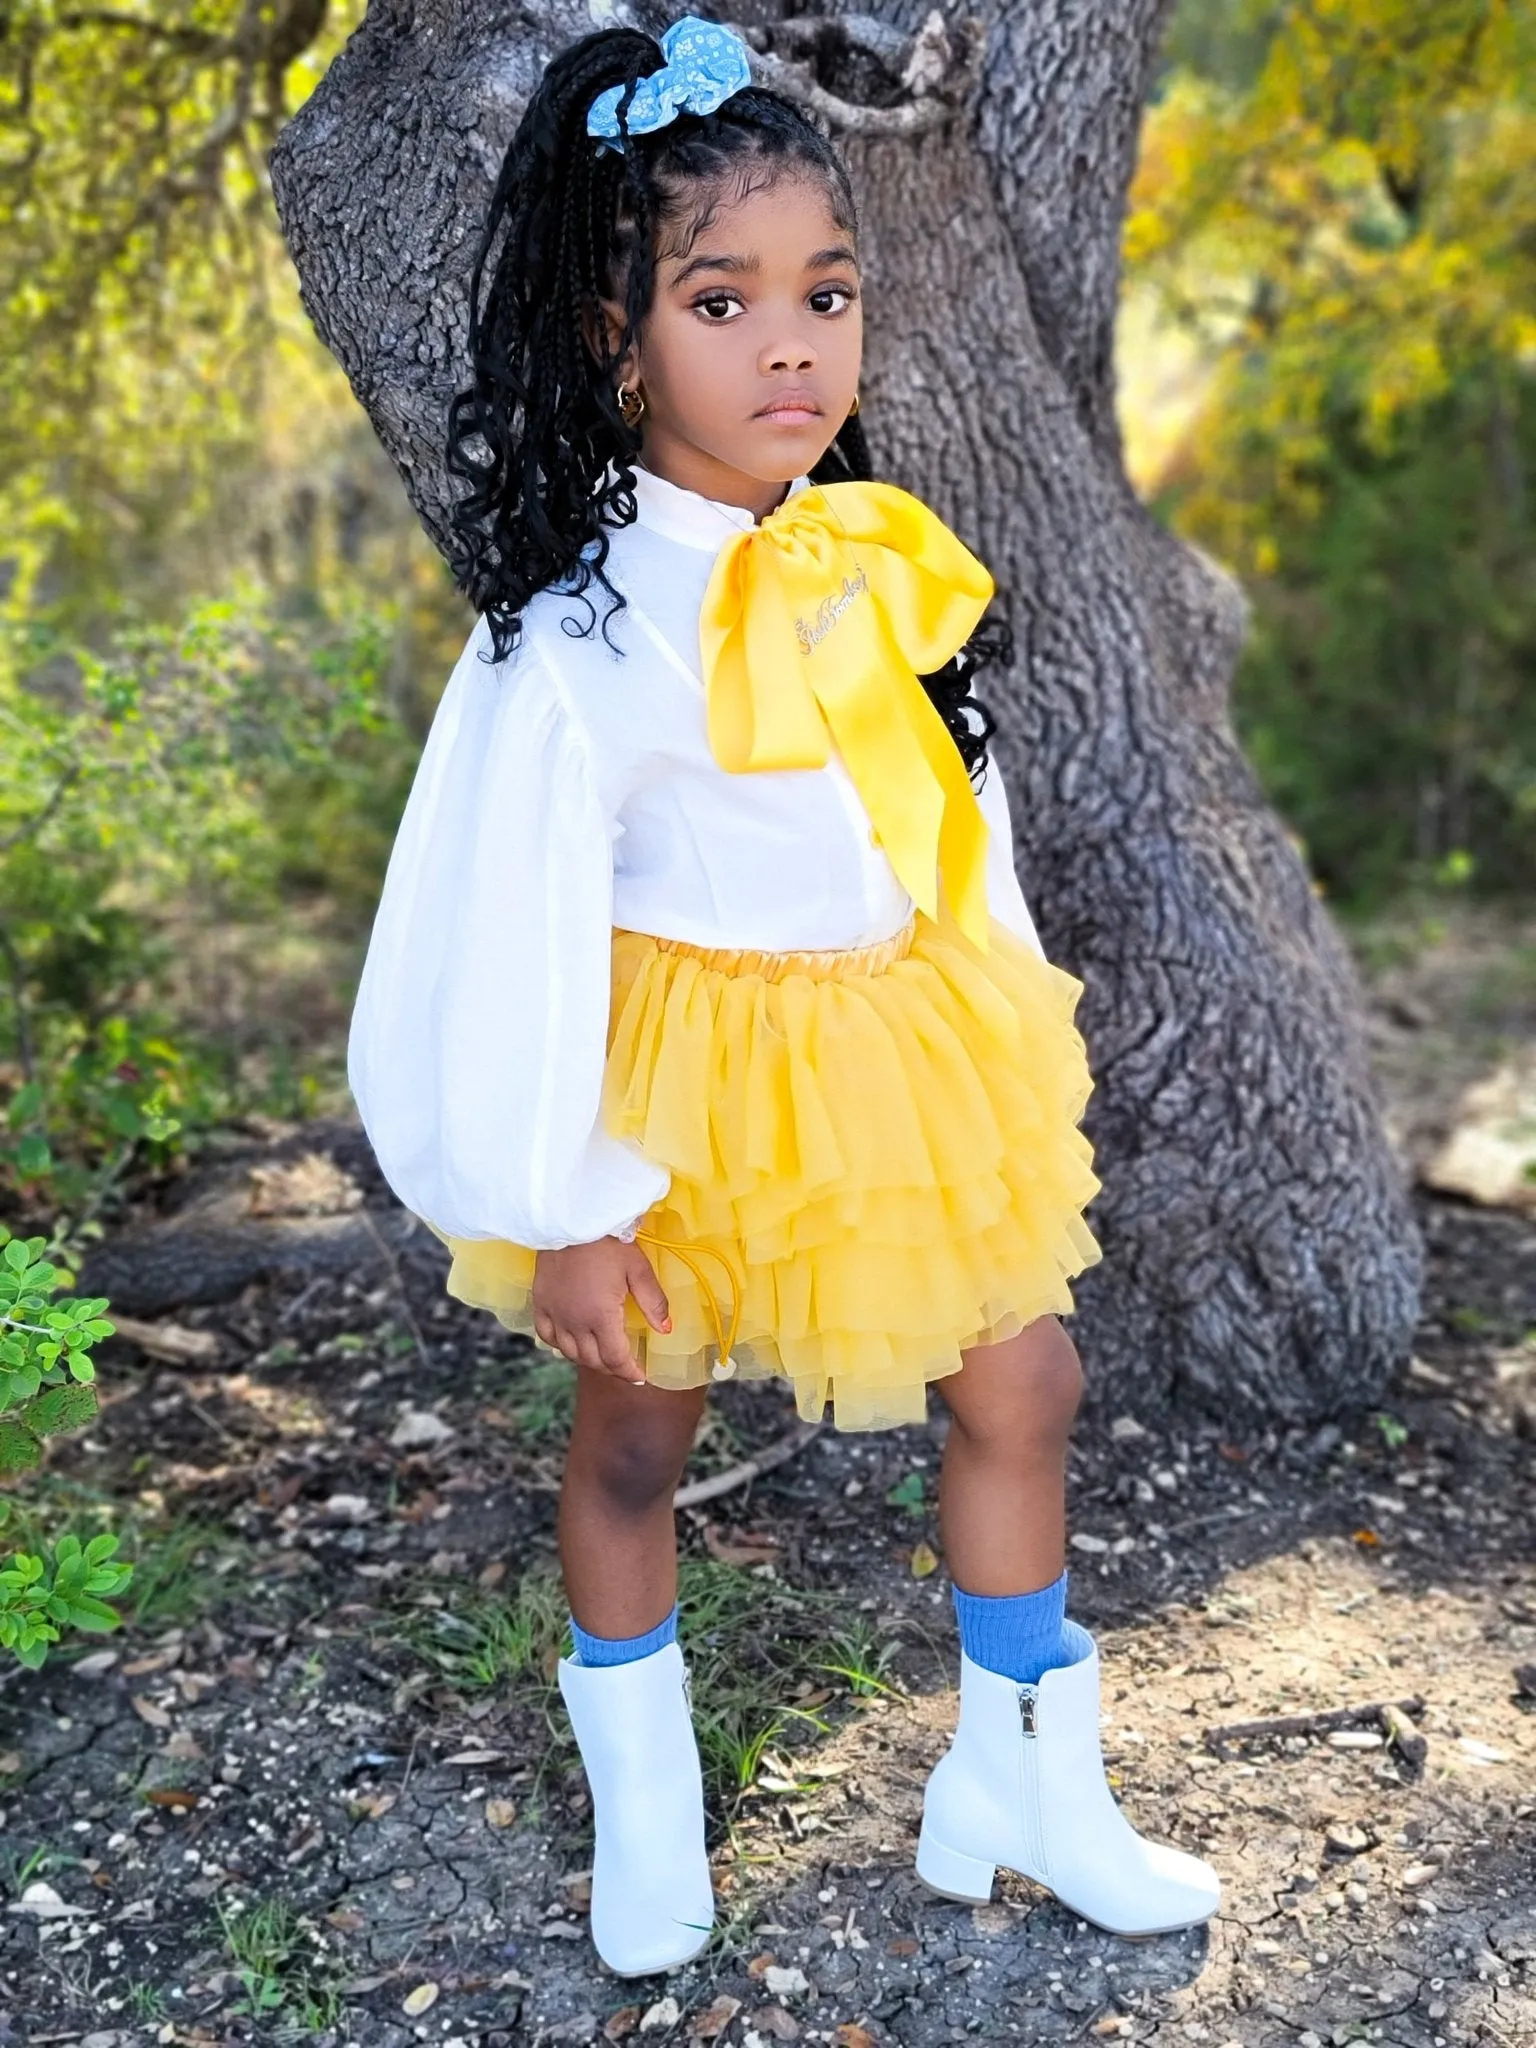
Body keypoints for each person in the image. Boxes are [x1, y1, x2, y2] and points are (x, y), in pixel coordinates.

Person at [348, 18, 1220, 1980]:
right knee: (638, 1438)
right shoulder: (571, 639)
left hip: (900, 1052)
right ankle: (648, 1808)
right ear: (614, 337)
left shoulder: (871, 561)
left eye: (825, 294)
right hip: (666, 1092)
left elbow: (945, 813)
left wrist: (991, 1012)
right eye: (723, 301)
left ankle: (1023, 1775)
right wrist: (562, 1195)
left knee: (1029, 1379)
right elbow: (501, 923)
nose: (792, 345)